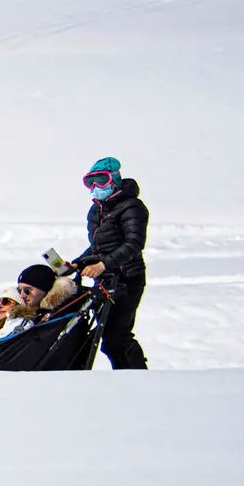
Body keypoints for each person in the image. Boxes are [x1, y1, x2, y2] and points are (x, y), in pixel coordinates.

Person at [74, 156, 148, 369]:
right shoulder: (97, 210)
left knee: (116, 338)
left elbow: (134, 244)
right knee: (107, 337)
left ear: (114, 180)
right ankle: (126, 377)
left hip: (127, 278)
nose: (95, 187)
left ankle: (138, 377)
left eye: (101, 181)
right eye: (90, 182)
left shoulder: (131, 207)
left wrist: (103, 265)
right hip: (105, 281)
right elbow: (99, 247)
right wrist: (78, 264)